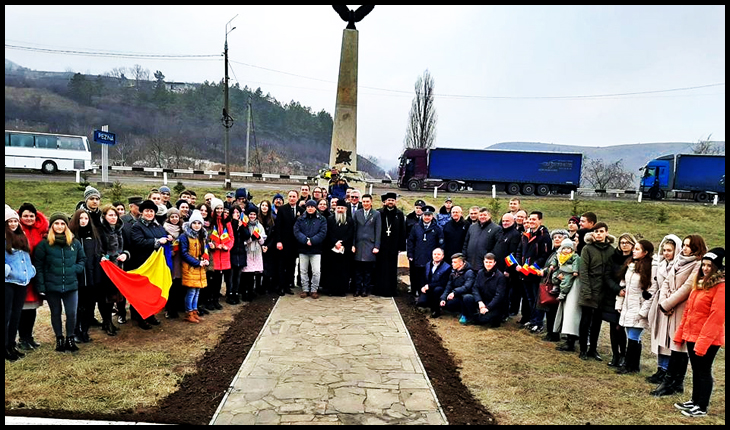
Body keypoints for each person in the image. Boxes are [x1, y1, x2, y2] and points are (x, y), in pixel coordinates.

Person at [649, 234, 707, 397]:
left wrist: (668, 304)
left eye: (689, 245)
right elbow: (666, 282)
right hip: (669, 306)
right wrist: (663, 301)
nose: (685, 248)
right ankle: (671, 381)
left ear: (696, 247)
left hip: (681, 309)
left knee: (680, 347)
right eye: (685, 245)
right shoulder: (679, 261)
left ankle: (673, 382)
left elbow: (687, 287)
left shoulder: (698, 265)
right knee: (674, 345)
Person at [672, 247, 725, 418]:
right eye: (704, 265)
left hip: (708, 339)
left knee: (703, 370)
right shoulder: (700, 283)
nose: (705, 268)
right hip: (693, 335)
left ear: (717, 267)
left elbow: (716, 317)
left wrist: (703, 342)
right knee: (695, 369)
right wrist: (681, 333)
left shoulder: (721, 287)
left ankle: (702, 406)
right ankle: (694, 400)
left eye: (710, 266)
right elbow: (689, 311)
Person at [33, 213, 86, 352]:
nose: (60, 226)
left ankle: (70, 338)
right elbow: (38, 265)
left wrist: (76, 268)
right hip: (52, 285)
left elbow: (82, 259)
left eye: (62, 224)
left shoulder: (74, 243)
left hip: (71, 284)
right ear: (51, 226)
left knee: (71, 313)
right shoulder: (44, 244)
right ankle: (59, 339)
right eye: (56, 223)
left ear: (66, 226)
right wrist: (41, 285)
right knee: (56, 312)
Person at [645, 234, 683, 384]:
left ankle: (668, 371)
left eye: (670, 250)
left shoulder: (678, 266)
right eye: (664, 250)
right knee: (658, 336)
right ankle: (660, 368)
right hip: (659, 302)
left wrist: (668, 303)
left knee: (668, 338)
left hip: (671, 305)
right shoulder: (661, 264)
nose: (666, 253)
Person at [128, 200, 171, 329]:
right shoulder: (137, 226)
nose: (149, 213)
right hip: (143, 264)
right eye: (146, 211)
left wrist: (168, 237)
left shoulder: (157, 226)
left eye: (151, 211)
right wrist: (157, 241)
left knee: (151, 292)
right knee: (140, 293)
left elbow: (163, 236)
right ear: (142, 212)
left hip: (155, 266)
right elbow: (138, 242)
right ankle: (139, 317)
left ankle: (150, 314)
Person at [614, 239, 655, 375]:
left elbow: (650, 291)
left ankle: (629, 365)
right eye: (634, 248)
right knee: (630, 334)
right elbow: (623, 285)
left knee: (634, 336)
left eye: (637, 249)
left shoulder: (650, 268)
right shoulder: (630, 265)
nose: (633, 251)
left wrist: (643, 311)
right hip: (628, 305)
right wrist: (619, 303)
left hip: (639, 305)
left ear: (645, 252)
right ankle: (633, 365)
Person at [577, 222, 616, 361]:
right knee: (585, 320)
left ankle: (593, 349)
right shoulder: (587, 249)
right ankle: (583, 348)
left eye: (601, 231)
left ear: (606, 232)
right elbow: (584, 271)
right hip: (589, 289)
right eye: (596, 232)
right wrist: (587, 291)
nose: (598, 234)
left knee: (597, 322)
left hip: (603, 292)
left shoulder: (611, 250)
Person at [15, 203, 48, 351]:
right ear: (20, 217)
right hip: (20, 274)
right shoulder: (15, 230)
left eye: (31, 216)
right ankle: (22, 338)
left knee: (32, 307)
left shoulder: (41, 231)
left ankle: (29, 337)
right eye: (25, 216)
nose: (28, 219)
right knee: (21, 308)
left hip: (35, 273)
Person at [5, 205, 36, 361]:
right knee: (7, 315)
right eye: (9, 221)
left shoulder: (21, 236)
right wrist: (7, 269)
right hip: (8, 281)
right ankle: (5, 347)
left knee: (16, 314)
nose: (13, 224)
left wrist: (31, 270)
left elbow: (26, 258)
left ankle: (11, 344)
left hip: (22, 282)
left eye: (14, 221)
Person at [68, 209, 103, 343]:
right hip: (77, 278)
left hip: (92, 277)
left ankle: (85, 330)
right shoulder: (71, 237)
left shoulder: (94, 236)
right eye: (81, 219)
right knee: (77, 306)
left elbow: (98, 255)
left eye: (86, 219)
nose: (83, 221)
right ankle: (75, 331)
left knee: (89, 306)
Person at [604, 233, 637, 368]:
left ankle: (623, 354)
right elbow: (607, 276)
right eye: (622, 242)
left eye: (627, 243)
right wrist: (617, 289)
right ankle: (615, 355)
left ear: (632, 245)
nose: (624, 245)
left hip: (628, 297)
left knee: (620, 327)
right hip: (613, 295)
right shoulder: (613, 257)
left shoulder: (635, 260)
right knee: (613, 326)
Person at [516, 211, 551, 332]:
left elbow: (544, 255)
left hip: (535, 273)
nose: (531, 222)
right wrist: (519, 264)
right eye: (530, 219)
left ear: (540, 221)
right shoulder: (525, 235)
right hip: (524, 272)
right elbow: (519, 251)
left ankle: (539, 322)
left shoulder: (544, 236)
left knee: (537, 299)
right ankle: (532, 320)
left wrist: (533, 266)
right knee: (529, 298)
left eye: (534, 220)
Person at [97, 204, 128, 336]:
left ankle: (108, 322)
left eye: (115, 215)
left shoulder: (120, 229)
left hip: (119, 268)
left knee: (115, 296)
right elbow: (98, 249)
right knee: (105, 297)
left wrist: (125, 254)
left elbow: (126, 246)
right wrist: (103, 257)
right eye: (110, 215)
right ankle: (107, 322)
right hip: (105, 268)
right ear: (104, 216)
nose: (113, 217)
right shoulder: (100, 230)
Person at [534, 229, 569, 341]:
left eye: (560, 237)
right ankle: (550, 333)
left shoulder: (564, 253)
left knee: (554, 310)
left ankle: (554, 334)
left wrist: (546, 271)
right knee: (549, 310)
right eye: (555, 237)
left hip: (557, 285)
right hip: (548, 283)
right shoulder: (554, 252)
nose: (557, 239)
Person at [407, 205, 444, 299]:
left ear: (432, 216)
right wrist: (410, 254)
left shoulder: (437, 229)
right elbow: (410, 241)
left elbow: (441, 244)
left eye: (429, 215)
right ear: (422, 215)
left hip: (430, 258)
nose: (427, 217)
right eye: (425, 215)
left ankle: (427, 294)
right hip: (417, 256)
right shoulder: (416, 227)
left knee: (428, 276)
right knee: (416, 276)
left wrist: (438, 257)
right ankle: (415, 292)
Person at [179, 209, 209, 323]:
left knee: (197, 291)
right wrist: (197, 262)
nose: (197, 225)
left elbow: (204, 250)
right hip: (190, 267)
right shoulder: (185, 236)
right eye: (194, 223)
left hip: (200, 266)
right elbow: (184, 253)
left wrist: (205, 259)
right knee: (191, 291)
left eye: (199, 223)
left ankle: (194, 311)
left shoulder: (201, 236)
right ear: (190, 224)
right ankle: (189, 312)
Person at [294, 200, 328, 299]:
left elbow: (323, 232)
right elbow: (296, 231)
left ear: (315, 207)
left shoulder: (321, 219)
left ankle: (314, 289)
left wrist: (312, 240)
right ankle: (305, 289)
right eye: (308, 207)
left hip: (316, 249)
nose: (310, 208)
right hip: (303, 248)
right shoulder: (300, 219)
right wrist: (305, 240)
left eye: (312, 207)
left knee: (316, 271)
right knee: (303, 270)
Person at [554, 239, 583, 352]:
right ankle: (568, 340)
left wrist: (564, 271)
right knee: (567, 314)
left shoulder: (576, 258)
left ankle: (571, 341)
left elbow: (574, 269)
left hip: (574, 287)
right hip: (566, 286)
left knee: (571, 314)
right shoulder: (561, 257)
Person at [462, 253, 507, 327]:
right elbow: (475, 288)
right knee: (467, 298)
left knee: (483, 320)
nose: (488, 264)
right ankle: (475, 316)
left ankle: (483, 317)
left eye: (490, 262)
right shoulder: (480, 273)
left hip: (493, 304)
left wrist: (488, 307)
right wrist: (479, 302)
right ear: (483, 262)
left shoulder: (500, 277)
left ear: (494, 263)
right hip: (482, 301)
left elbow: (499, 296)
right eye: (486, 262)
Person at [375, 192, 406, 297]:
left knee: (392, 268)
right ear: (385, 202)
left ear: (395, 201)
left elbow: (403, 230)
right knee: (381, 268)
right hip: (382, 245)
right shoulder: (379, 213)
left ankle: (391, 290)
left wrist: (401, 247)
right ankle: (379, 289)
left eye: (392, 200)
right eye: (389, 200)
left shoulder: (399, 214)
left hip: (394, 246)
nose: (390, 202)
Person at [118, 196, 143, 325]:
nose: (140, 209)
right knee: (123, 289)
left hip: (139, 260)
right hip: (126, 259)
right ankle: (121, 313)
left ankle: (135, 312)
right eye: (138, 206)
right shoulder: (122, 221)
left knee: (138, 289)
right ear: (131, 207)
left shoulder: (143, 220)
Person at [492, 213, 522, 319]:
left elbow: (512, 254)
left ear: (513, 221)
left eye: (507, 221)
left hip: (506, 270)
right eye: (503, 221)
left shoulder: (515, 234)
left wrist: (508, 269)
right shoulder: (501, 232)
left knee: (504, 293)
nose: (505, 223)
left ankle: (504, 314)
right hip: (497, 267)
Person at [322, 199, 354, 296]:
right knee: (332, 270)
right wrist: (335, 242)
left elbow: (350, 233)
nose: (340, 210)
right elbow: (328, 232)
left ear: (345, 209)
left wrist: (342, 242)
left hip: (344, 249)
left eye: (342, 208)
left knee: (343, 270)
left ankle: (342, 290)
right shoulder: (330, 219)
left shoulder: (349, 220)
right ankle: (331, 290)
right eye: (338, 208)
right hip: (332, 248)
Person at [352, 194, 381, 297]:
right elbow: (354, 230)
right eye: (364, 201)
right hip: (359, 244)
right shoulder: (357, 213)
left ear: (371, 202)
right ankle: (357, 288)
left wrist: (377, 246)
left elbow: (378, 231)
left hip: (370, 245)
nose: (365, 203)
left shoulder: (376, 214)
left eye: (367, 201)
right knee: (358, 270)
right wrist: (353, 244)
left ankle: (365, 289)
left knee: (368, 270)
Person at [208, 198, 234, 309]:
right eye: (217, 208)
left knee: (219, 280)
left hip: (224, 255)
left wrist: (227, 247)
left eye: (221, 208)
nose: (219, 210)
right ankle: (210, 300)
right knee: (211, 280)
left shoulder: (226, 221)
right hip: (213, 255)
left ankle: (216, 300)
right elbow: (207, 237)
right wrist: (213, 245)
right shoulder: (210, 221)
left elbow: (231, 237)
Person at [274, 190, 301, 296]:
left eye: (294, 196)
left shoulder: (301, 210)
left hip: (295, 244)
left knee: (291, 266)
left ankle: (288, 286)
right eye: (290, 196)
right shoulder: (282, 209)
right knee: (282, 266)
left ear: (297, 198)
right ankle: (281, 286)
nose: (292, 198)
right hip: (283, 243)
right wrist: (278, 241)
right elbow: (278, 227)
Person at [439, 253, 475, 321]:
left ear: (461, 263)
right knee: (448, 304)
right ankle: (460, 311)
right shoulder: (453, 272)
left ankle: (468, 315)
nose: (452, 264)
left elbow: (467, 287)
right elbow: (448, 286)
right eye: (452, 262)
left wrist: (454, 292)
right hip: (457, 294)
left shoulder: (469, 272)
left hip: (466, 295)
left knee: (467, 298)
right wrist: (443, 298)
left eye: (455, 262)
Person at [417, 248, 452, 317]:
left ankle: (436, 310)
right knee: (421, 302)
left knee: (437, 290)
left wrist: (429, 286)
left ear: (443, 256)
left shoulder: (447, 267)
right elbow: (423, 278)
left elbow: (443, 282)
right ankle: (428, 304)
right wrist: (423, 286)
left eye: (439, 254)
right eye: (435, 254)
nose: (436, 256)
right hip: (428, 288)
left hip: (439, 288)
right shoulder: (428, 265)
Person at [163, 208, 184, 318]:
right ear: (169, 218)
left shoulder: (182, 229)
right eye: (172, 217)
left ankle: (177, 307)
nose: (174, 219)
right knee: (170, 285)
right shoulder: (164, 229)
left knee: (178, 285)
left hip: (180, 259)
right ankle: (169, 309)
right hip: (169, 260)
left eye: (176, 216)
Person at [242, 206, 266, 301]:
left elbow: (263, 241)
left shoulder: (259, 226)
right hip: (247, 252)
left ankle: (251, 292)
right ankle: (244, 293)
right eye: (250, 214)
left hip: (256, 252)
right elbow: (242, 241)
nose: (252, 216)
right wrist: (251, 239)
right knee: (246, 274)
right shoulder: (244, 225)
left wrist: (259, 237)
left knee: (253, 274)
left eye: (254, 214)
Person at [258, 200, 277, 295]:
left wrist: (267, 246)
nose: (264, 207)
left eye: (266, 205)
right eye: (263, 205)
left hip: (269, 247)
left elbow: (274, 236)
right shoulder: (257, 219)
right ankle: (257, 287)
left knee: (268, 268)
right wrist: (261, 245)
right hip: (257, 247)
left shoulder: (273, 219)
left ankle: (266, 286)